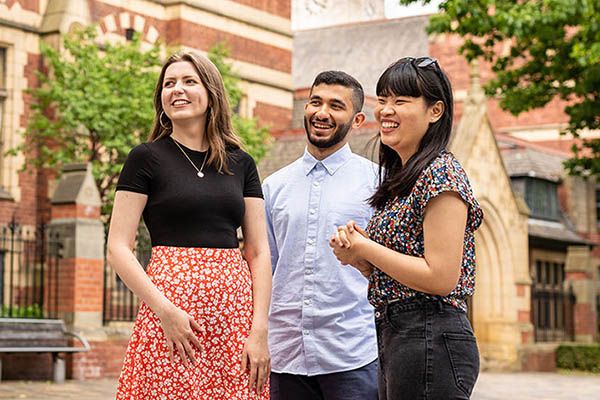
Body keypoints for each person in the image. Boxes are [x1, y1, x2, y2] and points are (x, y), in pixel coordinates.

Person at [107, 50, 271, 399]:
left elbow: (257, 251)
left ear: (211, 94)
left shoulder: (241, 163)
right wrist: (165, 311)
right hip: (168, 312)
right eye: (169, 83)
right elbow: (118, 247)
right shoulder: (145, 158)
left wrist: (259, 331)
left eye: (188, 81)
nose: (177, 89)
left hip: (233, 318)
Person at [330, 57, 484, 400]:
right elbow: (400, 277)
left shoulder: (441, 174)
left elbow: (440, 278)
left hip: (431, 336)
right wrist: (358, 255)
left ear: (435, 111)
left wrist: (368, 248)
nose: (386, 110)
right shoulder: (401, 180)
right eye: (382, 100)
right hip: (398, 335)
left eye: (401, 101)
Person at [262, 71, 379, 400]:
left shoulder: (377, 184)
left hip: (352, 354)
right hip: (285, 356)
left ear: (356, 120)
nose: (322, 112)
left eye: (335, 105)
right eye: (315, 102)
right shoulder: (273, 187)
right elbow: (265, 267)